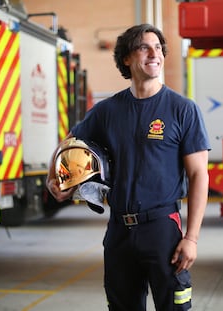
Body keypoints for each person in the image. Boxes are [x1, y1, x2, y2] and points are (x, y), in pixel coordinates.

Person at [46, 24, 210, 311]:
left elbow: (199, 175)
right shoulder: (108, 111)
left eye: (158, 47)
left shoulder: (182, 109)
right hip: (119, 231)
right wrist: (54, 178)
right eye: (144, 47)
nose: (154, 53)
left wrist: (192, 238)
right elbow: (68, 142)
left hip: (163, 229)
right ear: (127, 58)